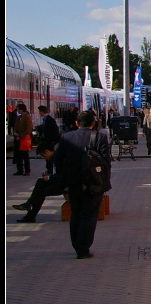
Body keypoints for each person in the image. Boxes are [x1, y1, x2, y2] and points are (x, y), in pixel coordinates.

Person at [53, 110, 111, 259]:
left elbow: (57, 160)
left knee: (76, 214)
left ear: (77, 123)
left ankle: (77, 245)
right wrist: (104, 181)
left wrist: (63, 178)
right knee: (90, 215)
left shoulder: (66, 137)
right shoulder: (99, 137)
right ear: (93, 122)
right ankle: (83, 248)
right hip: (94, 183)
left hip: (73, 183)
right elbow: (106, 162)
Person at [11, 143, 66, 223]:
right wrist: (49, 176)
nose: (44, 158)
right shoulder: (56, 158)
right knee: (40, 183)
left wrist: (50, 178)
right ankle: (29, 209)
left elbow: (64, 176)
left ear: (47, 151)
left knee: (40, 191)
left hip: (65, 185)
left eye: (43, 156)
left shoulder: (59, 159)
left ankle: (29, 211)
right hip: (61, 182)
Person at [37, 106, 61, 174]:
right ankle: (49, 169)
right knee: (47, 155)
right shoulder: (45, 119)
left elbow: (55, 130)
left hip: (50, 141)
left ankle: (50, 170)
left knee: (49, 155)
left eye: (39, 111)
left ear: (42, 111)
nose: (39, 113)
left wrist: (54, 140)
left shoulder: (50, 120)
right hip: (46, 140)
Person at [12, 103, 33, 176]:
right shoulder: (18, 117)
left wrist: (20, 136)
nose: (17, 111)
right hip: (18, 139)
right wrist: (15, 133)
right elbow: (16, 127)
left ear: (21, 110)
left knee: (25, 155)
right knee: (17, 155)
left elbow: (29, 129)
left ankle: (27, 170)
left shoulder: (27, 117)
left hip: (23, 139)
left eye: (18, 109)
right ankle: (20, 170)